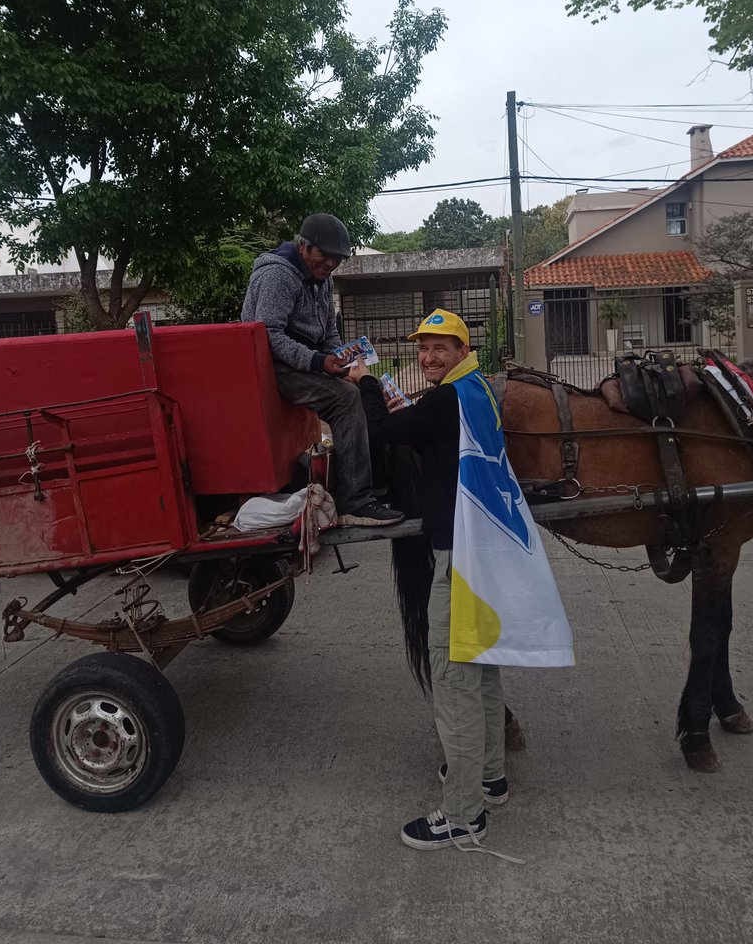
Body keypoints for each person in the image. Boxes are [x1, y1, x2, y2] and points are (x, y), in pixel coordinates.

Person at [348, 309, 573, 854]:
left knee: (454, 679)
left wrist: (367, 384)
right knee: (483, 663)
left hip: (461, 557)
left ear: (460, 349)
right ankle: (490, 778)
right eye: (422, 348)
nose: (428, 357)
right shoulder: (475, 393)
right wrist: (410, 409)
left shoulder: (448, 400)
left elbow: (382, 431)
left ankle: (463, 816)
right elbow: (435, 441)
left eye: (438, 347)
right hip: (486, 553)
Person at [241, 213, 403, 528]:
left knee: (362, 389)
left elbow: (329, 335)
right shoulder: (278, 275)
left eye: (337, 259)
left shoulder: (323, 280)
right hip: (273, 366)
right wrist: (319, 363)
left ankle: (370, 481)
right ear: (303, 246)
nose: (330, 264)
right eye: (324, 255)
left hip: (302, 361)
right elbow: (269, 335)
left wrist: (340, 359)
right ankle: (355, 501)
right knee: (345, 398)